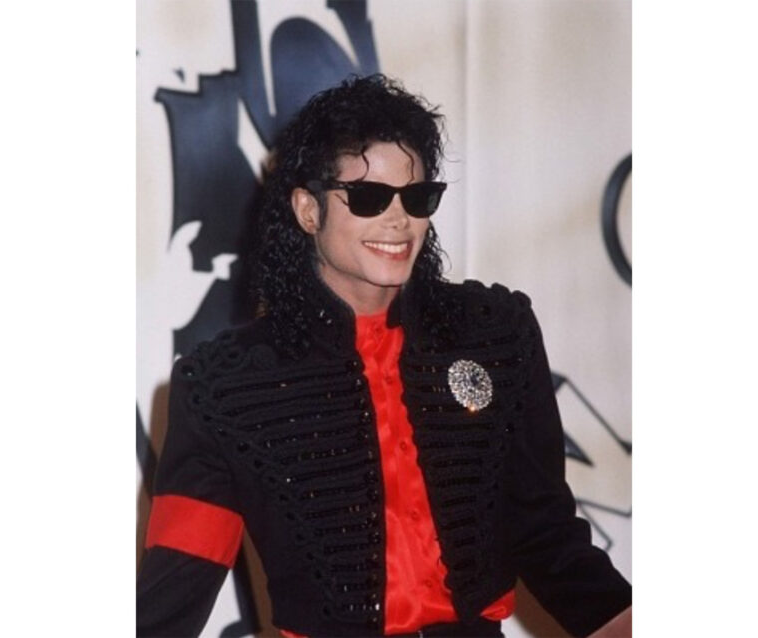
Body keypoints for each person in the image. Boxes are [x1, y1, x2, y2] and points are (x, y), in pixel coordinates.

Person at [137, 74, 632, 638]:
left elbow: (546, 534)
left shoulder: (496, 334)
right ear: (307, 209)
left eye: (417, 198)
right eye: (369, 197)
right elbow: (182, 575)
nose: (399, 220)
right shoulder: (225, 387)